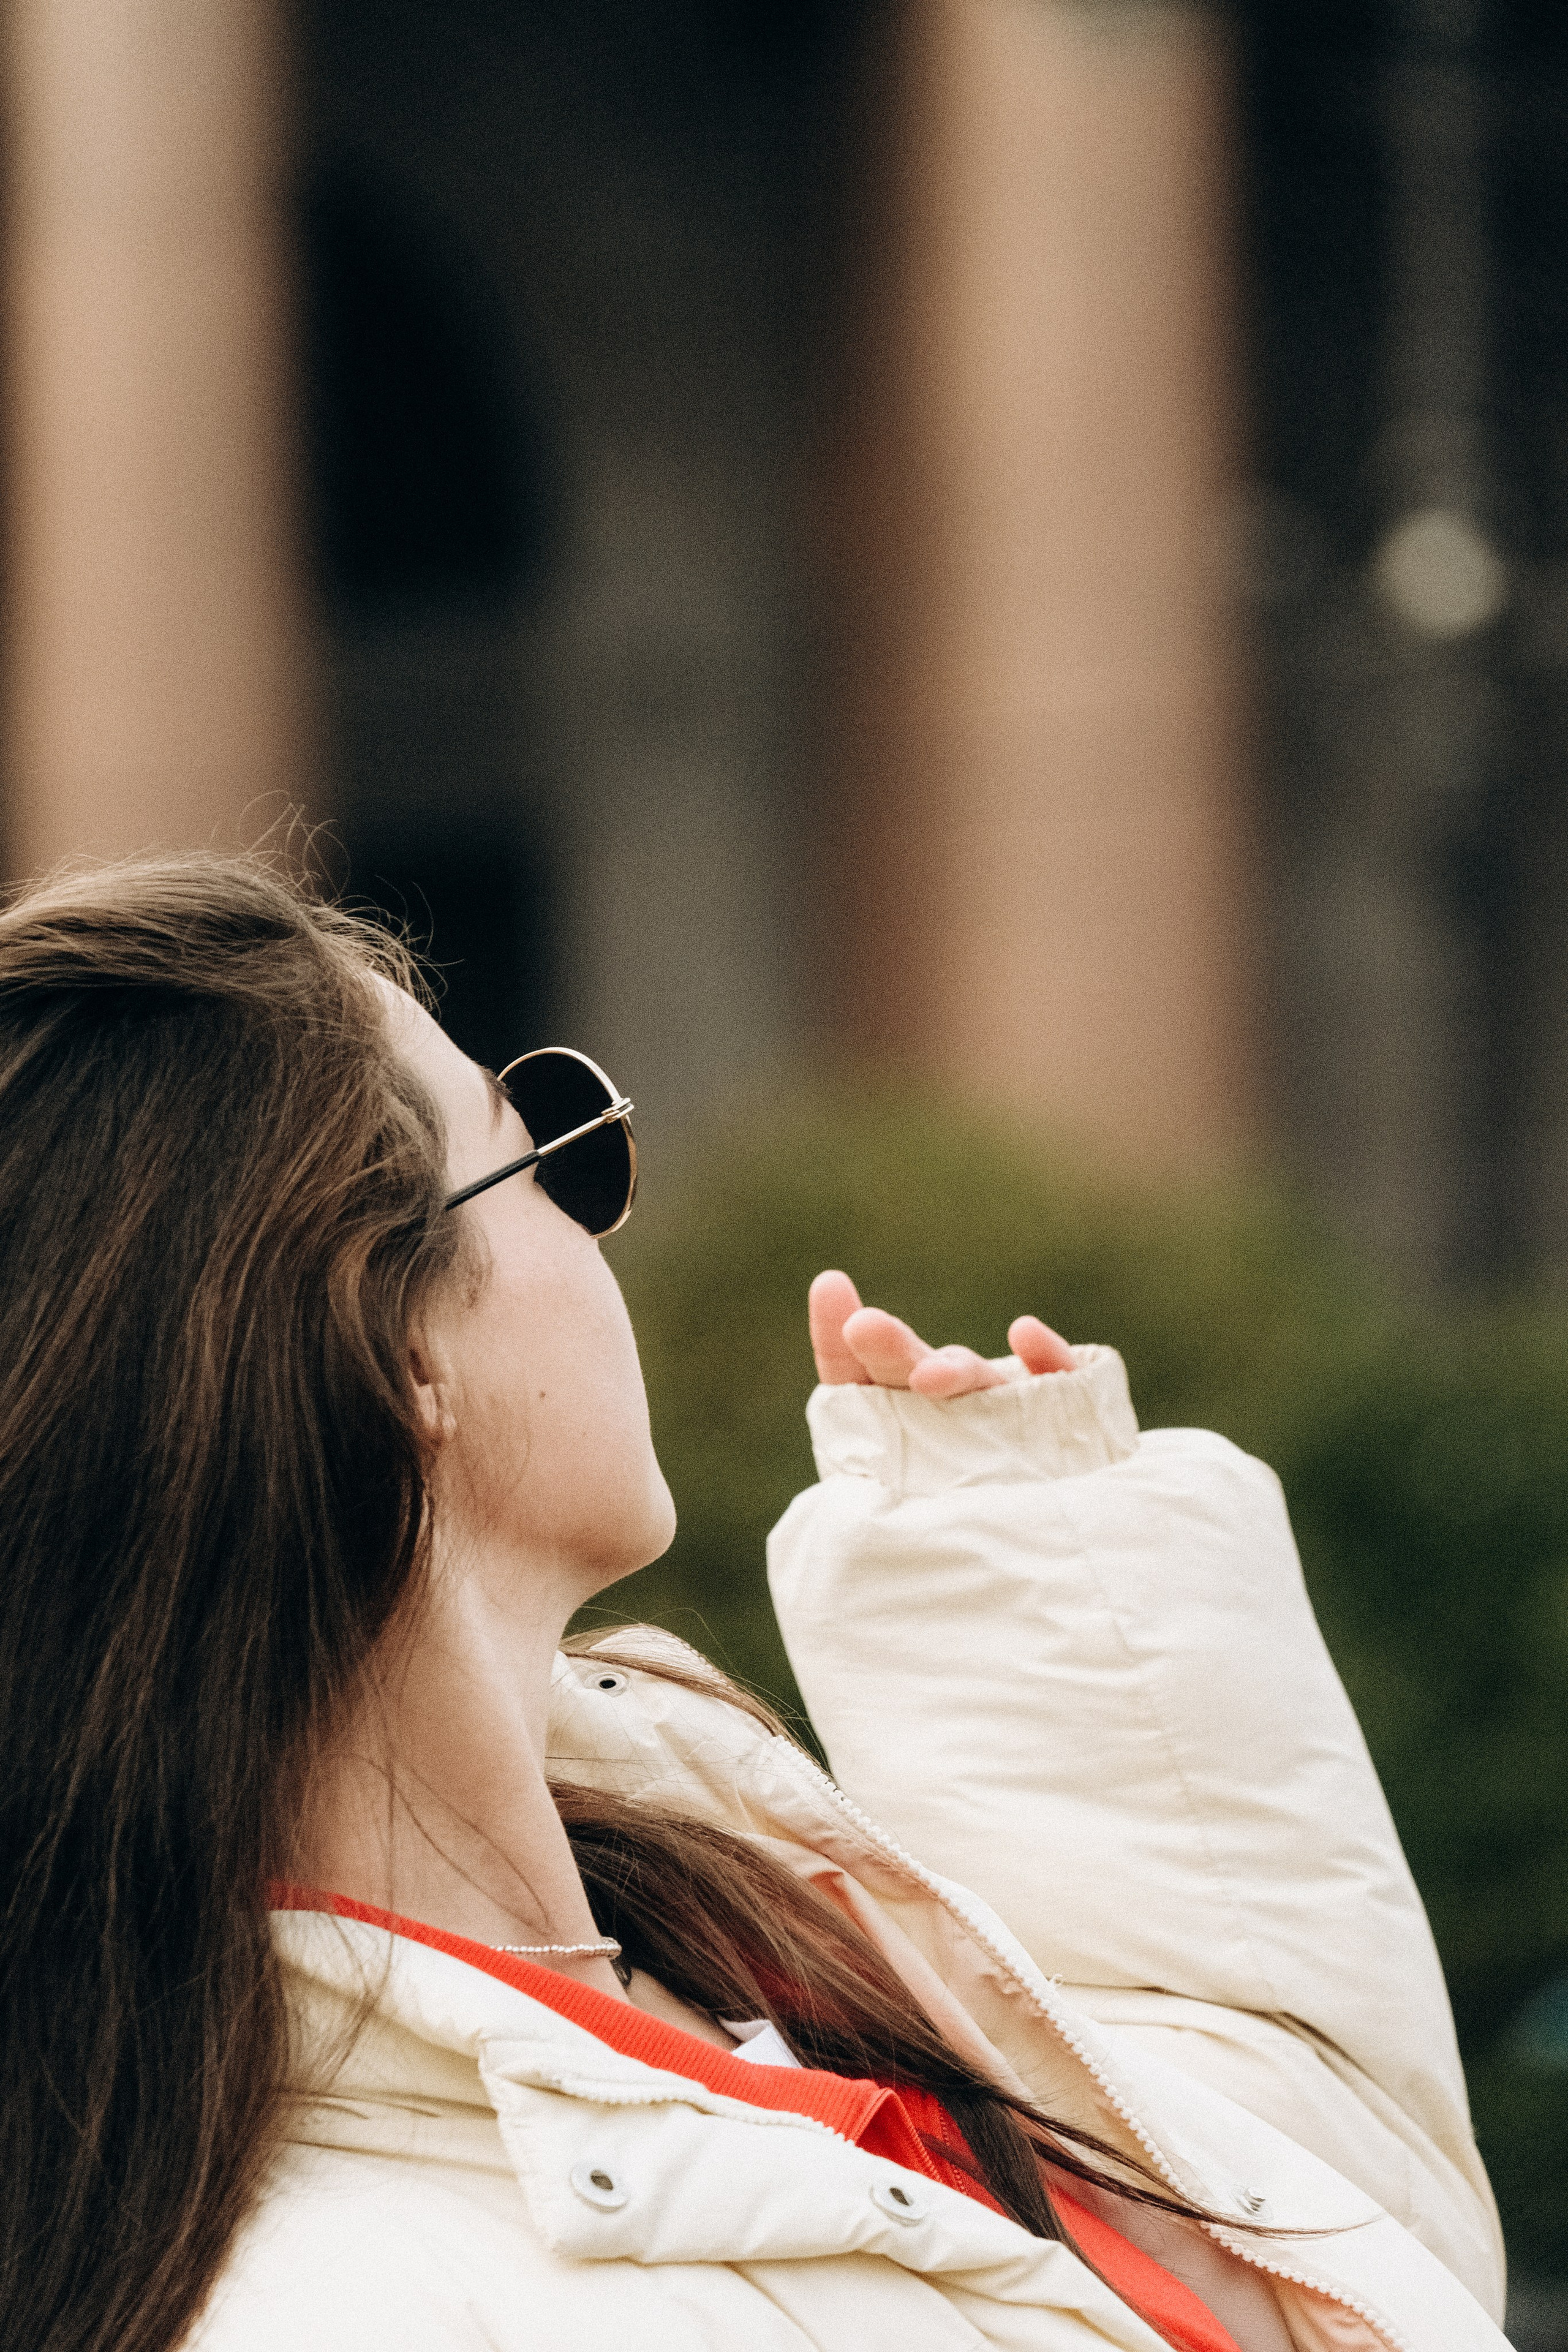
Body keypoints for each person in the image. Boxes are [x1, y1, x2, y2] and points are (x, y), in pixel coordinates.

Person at [0, 855, 1509, 2352]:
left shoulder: (715, 1946)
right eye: (544, 1148)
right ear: (396, 1361)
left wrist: (1041, 1581)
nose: (598, 1223)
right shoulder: (344, 2311)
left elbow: (1346, 2259)